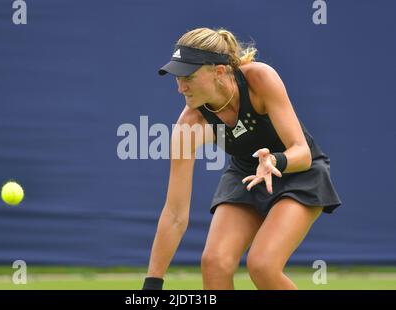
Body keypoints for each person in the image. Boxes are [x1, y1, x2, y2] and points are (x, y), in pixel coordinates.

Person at [142, 27, 341, 290]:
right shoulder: (189, 125)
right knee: (214, 263)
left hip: (299, 174)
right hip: (246, 175)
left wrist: (274, 161)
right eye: (176, 78)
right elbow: (175, 214)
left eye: (188, 76)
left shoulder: (260, 78)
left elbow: (301, 153)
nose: (180, 88)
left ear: (219, 71)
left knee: (262, 265)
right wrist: (153, 283)